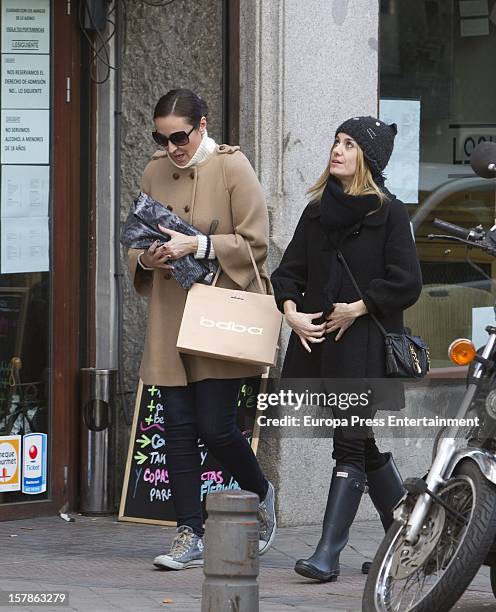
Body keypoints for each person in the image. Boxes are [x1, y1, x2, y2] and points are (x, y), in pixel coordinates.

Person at [128, 88, 276, 570]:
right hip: (171, 317)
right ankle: (188, 532)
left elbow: (257, 244)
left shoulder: (233, 168)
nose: (173, 147)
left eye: (180, 136)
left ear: (203, 126)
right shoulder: (154, 171)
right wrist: (147, 257)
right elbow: (135, 242)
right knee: (176, 429)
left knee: (216, 429)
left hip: (219, 315)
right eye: (162, 137)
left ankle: (260, 490)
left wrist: (199, 245)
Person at [271, 116, 422, 582]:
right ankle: (410, 543)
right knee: (364, 446)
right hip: (322, 346)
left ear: (368, 159)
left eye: (350, 144)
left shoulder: (389, 213)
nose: (337, 150)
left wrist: (358, 307)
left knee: (349, 447)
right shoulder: (316, 211)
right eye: (336, 140)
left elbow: (407, 283)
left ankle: (327, 553)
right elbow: (288, 272)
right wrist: (290, 311)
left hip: (365, 347)